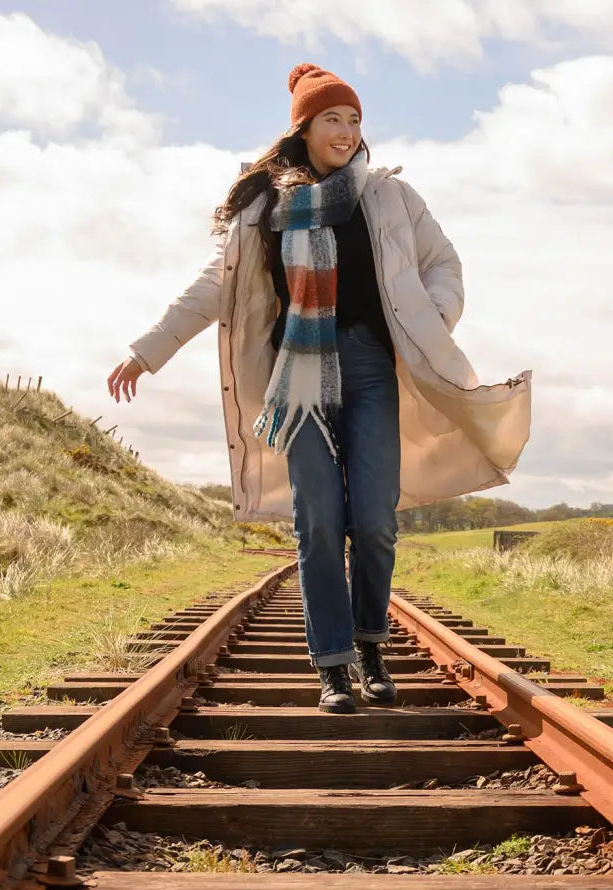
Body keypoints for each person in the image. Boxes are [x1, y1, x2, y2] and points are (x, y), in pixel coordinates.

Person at [107, 63, 531, 714]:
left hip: (368, 364)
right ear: (303, 127)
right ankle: (332, 667)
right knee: (319, 521)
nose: (346, 130)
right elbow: (212, 287)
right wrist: (147, 350)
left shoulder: (389, 197)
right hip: (297, 375)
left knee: (374, 519)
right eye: (332, 118)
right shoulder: (267, 208)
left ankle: (371, 646)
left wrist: (429, 320)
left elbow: (443, 264)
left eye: (355, 119)